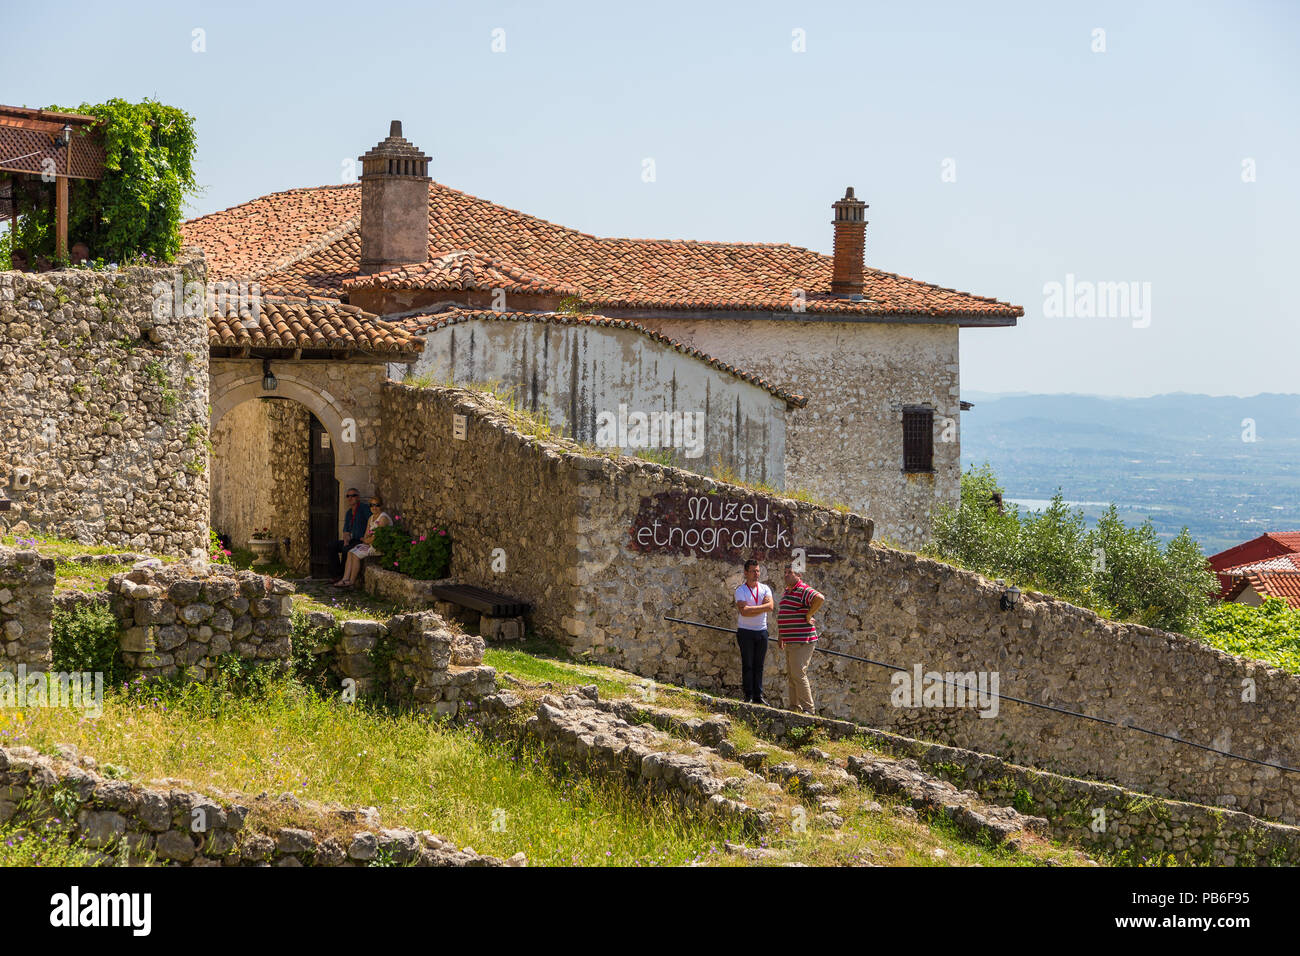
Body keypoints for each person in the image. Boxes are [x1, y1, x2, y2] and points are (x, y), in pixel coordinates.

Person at [777, 563, 825, 714]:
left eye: (790, 572)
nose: (786, 575)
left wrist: (809, 614)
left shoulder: (803, 589)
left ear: (799, 575)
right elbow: (784, 614)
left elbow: (819, 598)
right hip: (791, 639)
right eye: (785, 572)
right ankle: (795, 707)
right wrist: (781, 635)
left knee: (798, 673)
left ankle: (809, 709)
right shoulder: (787, 592)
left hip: (802, 639)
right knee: (792, 675)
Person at [733, 559, 774, 705]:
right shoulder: (740, 590)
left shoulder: (765, 588)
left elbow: (770, 607)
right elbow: (743, 612)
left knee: (759, 665)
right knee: (748, 664)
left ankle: (758, 695)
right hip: (745, 631)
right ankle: (748, 695)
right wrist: (761, 607)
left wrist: (751, 609)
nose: (756, 574)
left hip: (761, 631)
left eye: (758, 571)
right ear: (746, 573)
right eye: (753, 571)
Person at [333, 492, 391, 589]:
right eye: (372, 505)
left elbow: (376, 538)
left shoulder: (383, 518)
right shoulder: (371, 518)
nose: (374, 507)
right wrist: (367, 539)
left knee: (356, 554)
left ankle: (351, 581)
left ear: (381, 506)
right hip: (370, 544)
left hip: (378, 546)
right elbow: (365, 536)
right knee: (350, 552)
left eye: (377, 505)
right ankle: (345, 579)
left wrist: (368, 539)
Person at [335, 488, 372, 576]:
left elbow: (371, 522)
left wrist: (367, 538)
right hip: (351, 540)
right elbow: (346, 530)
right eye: (348, 496)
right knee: (332, 546)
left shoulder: (364, 509)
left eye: (353, 495)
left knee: (346, 549)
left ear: (358, 497)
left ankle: (342, 576)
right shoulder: (348, 513)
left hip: (360, 540)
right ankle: (335, 574)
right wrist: (346, 539)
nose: (350, 498)